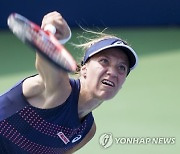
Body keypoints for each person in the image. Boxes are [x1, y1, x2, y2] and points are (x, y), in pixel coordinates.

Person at [0, 11, 138, 153]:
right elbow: (46, 58)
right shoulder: (60, 88)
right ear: (84, 69)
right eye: (104, 61)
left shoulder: (87, 131)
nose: (113, 72)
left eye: (121, 68)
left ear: (122, 83)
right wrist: (54, 38)